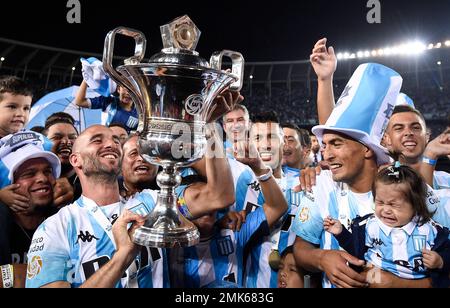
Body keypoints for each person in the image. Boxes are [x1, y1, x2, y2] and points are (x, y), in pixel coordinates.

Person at [292, 55, 434, 288]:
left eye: (336, 144)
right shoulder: (321, 184)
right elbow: (301, 248)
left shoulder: (411, 188)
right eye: (325, 145)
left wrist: (397, 283)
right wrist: (322, 258)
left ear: (367, 150)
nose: (326, 154)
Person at [169, 129, 288, 288]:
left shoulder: (234, 231)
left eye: (210, 200)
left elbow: (278, 207)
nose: (207, 207)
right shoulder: (168, 244)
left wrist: (258, 167)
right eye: (199, 200)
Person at [324, 164, 450, 288]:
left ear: (416, 205)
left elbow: (447, 251)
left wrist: (440, 261)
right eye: (380, 202)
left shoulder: (429, 231)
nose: (386, 210)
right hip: (374, 274)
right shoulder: (371, 225)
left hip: (415, 279)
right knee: (367, 277)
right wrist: (341, 233)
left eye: (394, 205)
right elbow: (356, 248)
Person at [0, 135, 61, 288]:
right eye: (29, 174)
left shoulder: (65, 218)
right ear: (8, 185)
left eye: (48, 171)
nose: (42, 178)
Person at [74, 80, 139, 133]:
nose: (128, 93)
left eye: (131, 90)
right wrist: (86, 79)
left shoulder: (141, 112)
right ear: (119, 89)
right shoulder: (108, 101)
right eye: (125, 89)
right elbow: (80, 102)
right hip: (107, 143)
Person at [43, 113, 81, 201]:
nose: (66, 141)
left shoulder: (91, 181)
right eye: (57, 137)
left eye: (72, 137)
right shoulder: (32, 182)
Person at [120, 135, 159, 199]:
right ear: (120, 163)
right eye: (133, 153)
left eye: (148, 153)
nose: (142, 158)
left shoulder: (173, 196)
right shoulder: (110, 197)